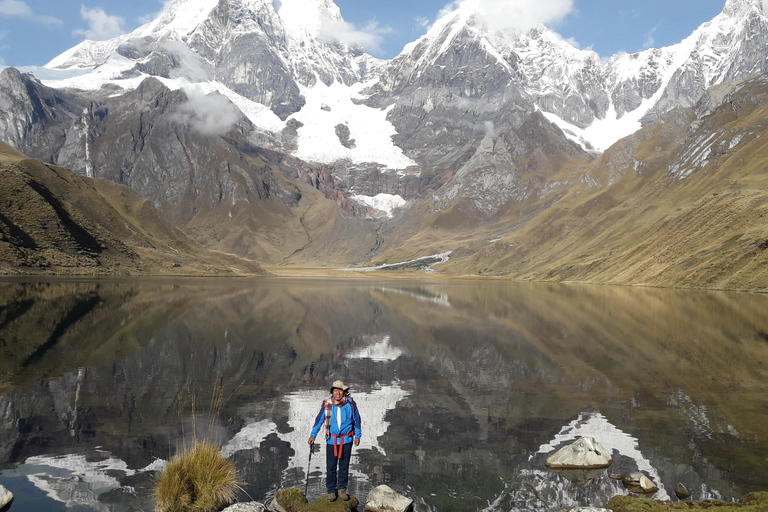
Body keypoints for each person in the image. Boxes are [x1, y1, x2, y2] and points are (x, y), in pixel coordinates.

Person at [308, 380, 361, 502]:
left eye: (340, 390)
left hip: (346, 440)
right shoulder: (327, 404)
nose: (338, 393)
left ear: (344, 392)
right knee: (331, 467)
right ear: (332, 392)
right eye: (336, 390)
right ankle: (331, 490)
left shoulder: (351, 404)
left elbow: (357, 420)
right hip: (331, 440)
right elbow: (319, 421)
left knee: (344, 466)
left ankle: (342, 489)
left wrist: (357, 436)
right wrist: (313, 436)